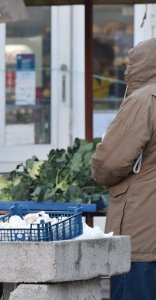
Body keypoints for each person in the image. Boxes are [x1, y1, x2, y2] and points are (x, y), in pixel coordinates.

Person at [91, 38, 156, 300]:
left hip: (142, 234)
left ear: (137, 67)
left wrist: (97, 166)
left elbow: (108, 164)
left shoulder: (144, 101)